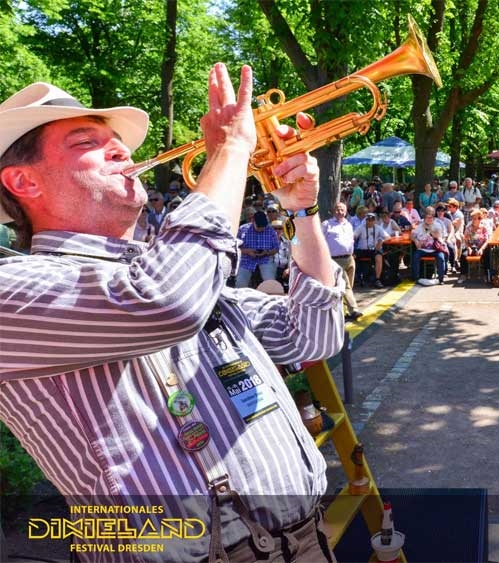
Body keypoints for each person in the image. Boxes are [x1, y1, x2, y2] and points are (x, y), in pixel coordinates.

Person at [0, 64, 343, 562]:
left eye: (116, 140)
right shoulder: (15, 288)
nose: (122, 150)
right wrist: (228, 149)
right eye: (85, 142)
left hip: (303, 539)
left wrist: (303, 213)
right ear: (23, 182)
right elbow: (166, 303)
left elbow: (312, 336)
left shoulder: (172, 266)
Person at [322, 201, 362, 320]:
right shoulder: (326, 224)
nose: (340, 212)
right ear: (333, 211)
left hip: (349, 259)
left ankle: (342, 310)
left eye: (342, 210)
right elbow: (320, 241)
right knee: (346, 286)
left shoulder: (348, 224)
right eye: (338, 209)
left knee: (347, 286)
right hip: (335, 260)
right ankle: (354, 309)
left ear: (346, 211)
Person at [235, 210, 281, 288]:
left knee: (270, 283)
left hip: (265, 259)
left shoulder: (270, 230)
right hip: (246, 259)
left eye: (263, 227)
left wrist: (266, 252)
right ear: (253, 221)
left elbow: (276, 248)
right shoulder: (243, 229)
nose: (261, 229)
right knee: (240, 283)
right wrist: (248, 251)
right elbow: (235, 247)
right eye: (259, 227)